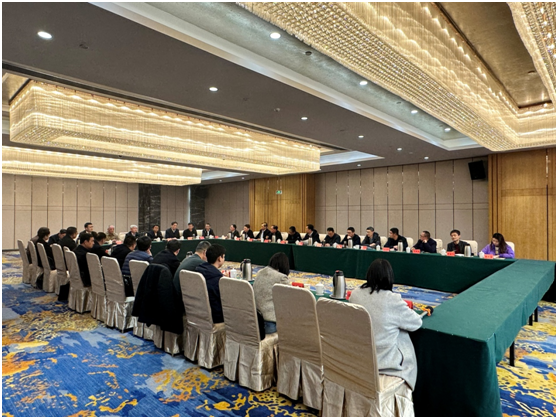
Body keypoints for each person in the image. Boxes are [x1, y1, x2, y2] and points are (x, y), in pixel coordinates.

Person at [349, 259, 422, 390]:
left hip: (358, 355)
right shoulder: (392, 299)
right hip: (383, 361)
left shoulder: (355, 294)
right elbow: (416, 323)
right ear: (389, 277)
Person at [253, 252, 291, 334]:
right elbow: (291, 297)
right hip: (269, 324)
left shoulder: (260, 272)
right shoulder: (281, 277)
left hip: (255, 320)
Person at [195, 244, 226, 323]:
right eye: (223, 257)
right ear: (219, 258)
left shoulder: (199, 270)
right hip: (216, 318)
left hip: (199, 313)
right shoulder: (217, 279)